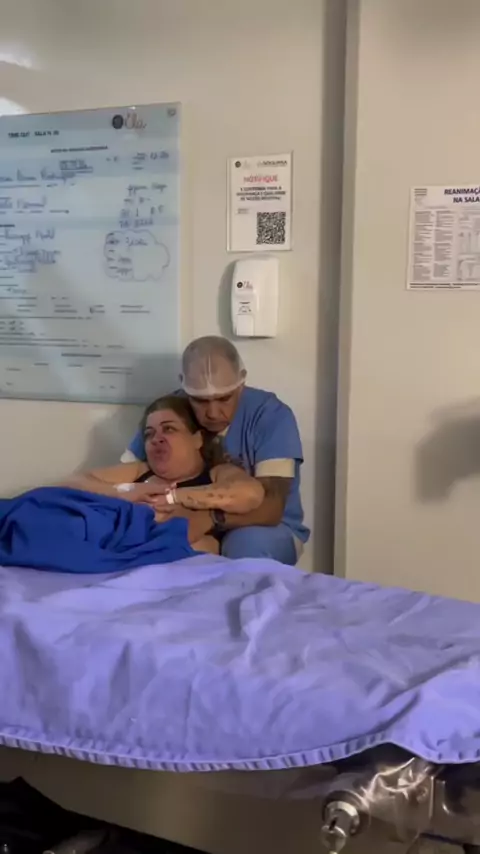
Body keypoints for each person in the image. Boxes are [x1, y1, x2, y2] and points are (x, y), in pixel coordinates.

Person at [122, 336, 309, 564]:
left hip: (264, 526)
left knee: (245, 545)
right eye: (200, 401)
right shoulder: (169, 412)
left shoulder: (270, 415)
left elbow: (272, 507)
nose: (212, 412)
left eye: (224, 399)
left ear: (241, 383)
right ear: (184, 388)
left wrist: (210, 518)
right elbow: (125, 478)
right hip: (183, 518)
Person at [65, 395, 264, 555]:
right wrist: (123, 491)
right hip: (118, 555)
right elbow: (69, 484)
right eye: (149, 434)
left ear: (197, 439)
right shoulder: (139, 471)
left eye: (169, 429)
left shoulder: (217, 473)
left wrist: (173, 498)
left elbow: (250, 494)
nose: (156, 439)